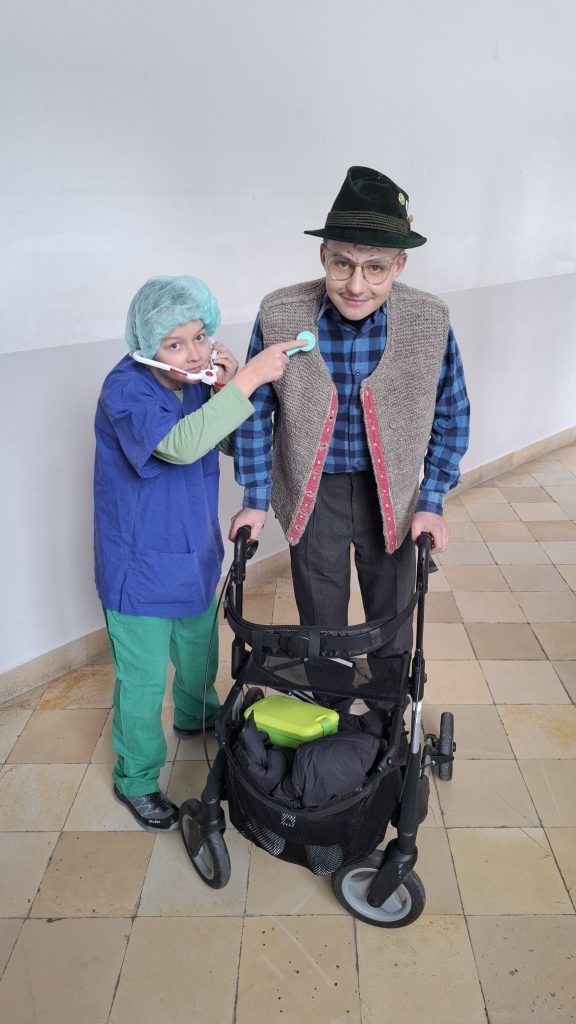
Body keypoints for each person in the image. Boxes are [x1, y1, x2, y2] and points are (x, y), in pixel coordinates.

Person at [230, 166, 470, 659]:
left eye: (375, 268)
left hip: (394, 492)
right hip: (314, 491)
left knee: (393, 617)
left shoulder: (429, 320)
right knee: (321, 623)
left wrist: (431, 500)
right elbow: (256, 410)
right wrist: (255, 498)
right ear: (323, 256)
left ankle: (388, 700)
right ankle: (330, 700)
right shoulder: (280, 313)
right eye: (342, 264)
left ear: (399, 266)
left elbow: (452, 413)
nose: (357, 285)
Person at [94, 274, 305, 831]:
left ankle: (198, 717)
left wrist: (230, 387)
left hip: (191, 555)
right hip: (138, 568)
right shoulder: (126, 390)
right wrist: (252, 378)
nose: (193, 353)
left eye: (200, 336)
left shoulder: (194, 382)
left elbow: (225, 440)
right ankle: (136, 779)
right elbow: (181, 445)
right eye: (174, 343)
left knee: (199, 654)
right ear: (145, 344)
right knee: (142, 682)